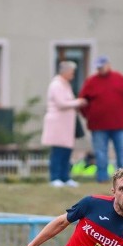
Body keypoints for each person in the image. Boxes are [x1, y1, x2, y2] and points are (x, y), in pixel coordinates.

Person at [78, 56, 123, 183]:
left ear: (108, 65)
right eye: (98, 67)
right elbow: (83, 101)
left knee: (122, 151)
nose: (100, 69)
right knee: (101, 153)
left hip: (119, 124)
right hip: (98, 126)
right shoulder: (91, 82)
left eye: (102, 66)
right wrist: (89, 116)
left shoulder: (120, 79)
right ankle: (102, 177)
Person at [41, 60, 87, 188]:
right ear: (65, 72)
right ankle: (55, 177)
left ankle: (65, 177)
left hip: (66, 124)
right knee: (58, 151)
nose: (73, 74)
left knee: (67, 151)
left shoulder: (65, 84)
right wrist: (77, 102)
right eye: (71, 72)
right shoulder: (56, 85)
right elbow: (61, 103)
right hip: (58, 124)